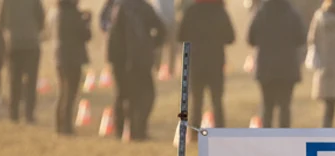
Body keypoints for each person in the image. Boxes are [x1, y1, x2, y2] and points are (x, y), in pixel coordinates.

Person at [105, 0, 164, 139]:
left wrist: (113, 60)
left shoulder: (116, 8)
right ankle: (138, 130)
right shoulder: (145, 8)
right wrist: (151, 44)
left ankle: (121, 131)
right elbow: (161, 31)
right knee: (145, 96)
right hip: (139, 60)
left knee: (123, 95)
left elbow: (112, 37)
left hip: (121, 61)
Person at [178, 0, 235, 131]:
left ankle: (193, 133)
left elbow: (180, 36)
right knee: (217, 101)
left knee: (196, 101)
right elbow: (231, 37)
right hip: (215, 62)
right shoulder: (220, 12)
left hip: (196, 61)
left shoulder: (191, 11)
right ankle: (220, 131)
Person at [249, 0, 304, 128]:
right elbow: (301, 38)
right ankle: (284, 139)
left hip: (265, 67)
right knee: (285, 107)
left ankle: (267, 140)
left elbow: (251, 38)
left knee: (267, 107)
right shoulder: (292, 13)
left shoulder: (260, 13)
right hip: (287, 67)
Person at [0, 0, 46, 123]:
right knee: (31, 81)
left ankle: (13, 113)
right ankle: (29, 114)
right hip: (31, 42)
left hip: (14, 43)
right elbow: (41, 18)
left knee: (14, 80)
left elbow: (0, 21)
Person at [49, 0, 91, 134]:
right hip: (73, 57)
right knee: (70, 93)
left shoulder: (55, 12)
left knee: (62, 92)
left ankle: (59, 124)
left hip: (59, 56)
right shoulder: (73, 14)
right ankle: (67, 127)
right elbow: (86, 35)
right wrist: (86, 21)